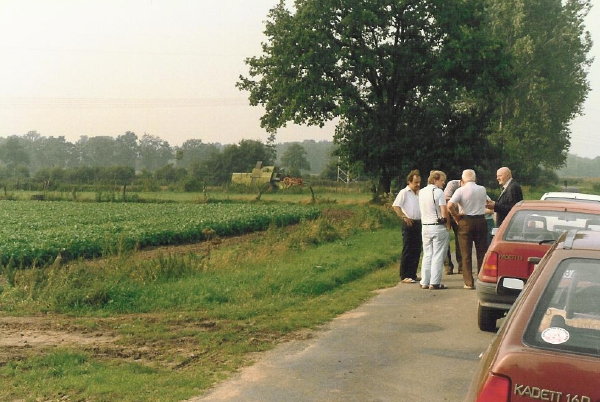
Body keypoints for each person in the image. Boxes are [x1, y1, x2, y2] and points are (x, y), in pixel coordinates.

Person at [447, 169, 489, 289]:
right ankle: (482, 279)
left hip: (465, 220)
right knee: (481, 252)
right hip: (481, 220)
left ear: (462, 180)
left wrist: (456, 215)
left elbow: (450, 205)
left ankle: (468, 282)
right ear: (475, 178)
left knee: (466, 253)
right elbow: (487, 202)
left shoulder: (460, 190)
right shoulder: (482, 189)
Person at [418, 170, 451, 290]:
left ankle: (424, 281)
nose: (443, 183)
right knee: (438, 254)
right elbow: (444, 211)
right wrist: (447, 225)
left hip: (425, 226)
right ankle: (435, 282)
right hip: (437, 226)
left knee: (427, 254)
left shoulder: (421, 192)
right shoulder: (438, 192)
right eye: (442, 181)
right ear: (435, 179)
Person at [392, 169, 422, 284]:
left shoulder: (419, 193)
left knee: (417, 249)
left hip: (418, 222)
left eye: (419, 182)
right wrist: (404, 217)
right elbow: (396, 206)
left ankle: (413, 274)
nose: (418, 185)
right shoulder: (404, 192)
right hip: (409, 223)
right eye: (416, 183)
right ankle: (405, 275)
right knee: (408, 249)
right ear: (409, 182)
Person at [443, 179, 463, 275]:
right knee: (445, 239)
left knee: (460, 239)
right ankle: (448, 266)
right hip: (448, 213)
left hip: (458, 214)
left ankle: (462, 266)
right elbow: (447, 201)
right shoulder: (453, 184)